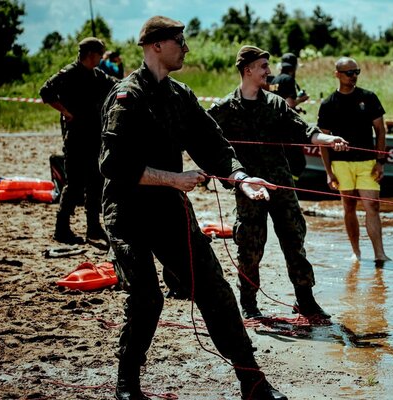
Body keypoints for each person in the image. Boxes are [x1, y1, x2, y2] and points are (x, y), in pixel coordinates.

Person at [99, 17, 286, 400]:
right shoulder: (126, 96)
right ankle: (127, 384)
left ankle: (252, 381)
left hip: (168, 206)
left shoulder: (180, 95)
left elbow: (212, 145)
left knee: (215, 289)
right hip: (127, 209)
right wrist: (173, 178)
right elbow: (113, 166)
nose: (186, 48)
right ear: (155, 46)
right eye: (179, 41)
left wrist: (241, 177)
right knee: (147, 296)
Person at [208, 45, 348, 320]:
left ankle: (306, 301)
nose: (269, 72)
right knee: (250, 247)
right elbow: (206, 143)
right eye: (263, 67)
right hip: (249, 188)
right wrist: (221, 176)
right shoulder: (224, 109)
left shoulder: (275, 104)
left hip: (281, 185)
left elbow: (304, 130)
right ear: (247, 70)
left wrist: (328, 140)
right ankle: (248, 304)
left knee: (294, 240)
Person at [40, 37, 118, 244]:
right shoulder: (69, 74)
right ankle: (61, 229)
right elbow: (45, 92)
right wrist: (65, 111)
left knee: (95, 183)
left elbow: (116, 86)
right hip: (75, 137)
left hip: (94, 136)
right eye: (100, 55)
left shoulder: (97, 75)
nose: (101, 58)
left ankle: (93, 227)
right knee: (74, 184)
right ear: (91, 54)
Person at [317, 57, 391, 264]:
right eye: (349, 73)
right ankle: (356, 252)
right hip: (340, 164)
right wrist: (328, 172)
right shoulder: (328, 104)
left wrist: (380, 161)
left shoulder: (369, 97)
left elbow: (380, 131)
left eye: (356, 71)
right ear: (337, 75)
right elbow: (322, 141)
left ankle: (379, 254)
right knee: (349, 207)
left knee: (372, 207)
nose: (354, 76)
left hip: (368, 161)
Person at [270, 53, 310, 180]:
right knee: (298, 163)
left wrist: (297, 108)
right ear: (294, 67)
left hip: (274, 126)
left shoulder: (274, 80)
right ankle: (291, 186)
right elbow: (289, 103)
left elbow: (277, 102)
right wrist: (301, 100)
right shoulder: (289, 80)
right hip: (287, 128)